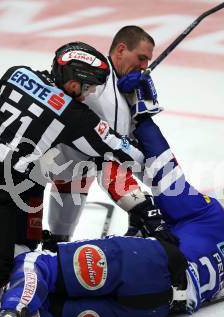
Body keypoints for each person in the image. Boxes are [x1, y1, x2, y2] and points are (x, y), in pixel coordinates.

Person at [0, 41, 170, 317]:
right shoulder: (75, 115)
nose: (90, 95)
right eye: (89, 89)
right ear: (74, 83)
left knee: (20, 253)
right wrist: (141, 110)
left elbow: (0, 100)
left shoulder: (16, 72)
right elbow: (126, 152)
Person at [46, 25, 156, 243]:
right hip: (44, 160)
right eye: (141, 58)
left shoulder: (128, 86)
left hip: (77, 165)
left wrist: (142, 101)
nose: (145, 66)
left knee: (59, 238)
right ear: (121, 49)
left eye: (148, 61)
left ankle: (58, 243)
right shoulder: (93, 74)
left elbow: (132, 141)